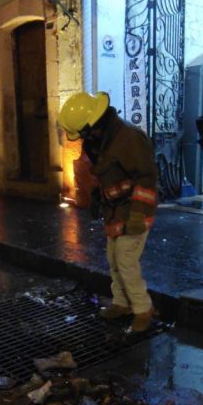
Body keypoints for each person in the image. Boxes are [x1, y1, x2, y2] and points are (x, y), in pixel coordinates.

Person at [57, 91, 158, 333]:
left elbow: (146, 178)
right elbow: (106, 173)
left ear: (92, 125)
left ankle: (143, 310)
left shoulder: (129, 139)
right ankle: (122, 304)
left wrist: (137, 214)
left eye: (83, 133)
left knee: (126, 260)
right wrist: (97, 196)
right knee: (114, 259)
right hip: (115, 211)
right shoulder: (100, 140)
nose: (82, 138)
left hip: (134, 209)